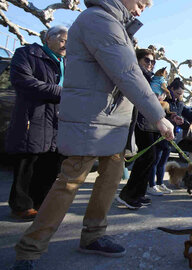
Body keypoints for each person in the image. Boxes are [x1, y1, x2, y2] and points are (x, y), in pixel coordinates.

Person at [11, 0, 174, 268]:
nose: (141, 10)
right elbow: (127, 72)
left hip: (113, 120)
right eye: (141, 3)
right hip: (94, 118)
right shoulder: (100, 20)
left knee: (109, 183)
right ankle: (29, 249)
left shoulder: (116, 24)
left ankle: (93, 235)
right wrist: (157, 115)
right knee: (69, 182)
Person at [6, 26, 68, 221]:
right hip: (34, 117)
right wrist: (63, 93)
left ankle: (42, 202)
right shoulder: (27, 54)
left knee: (50, 163)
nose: (66, 45)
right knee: (28, 162)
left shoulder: (68, 62)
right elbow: (23, 81)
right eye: (63, 40)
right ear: (49, 38)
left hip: (58, 120)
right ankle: (21, 206)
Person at [118, 53, 172, 203]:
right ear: (138, 59)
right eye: (147, 60)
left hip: (148, 122)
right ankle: (129, 194)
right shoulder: (136, 74)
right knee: (146, 157)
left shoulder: (150, 78)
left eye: (153, 61)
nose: (150, 64)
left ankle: (138, 193)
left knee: (149, 157)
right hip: (138, 121)